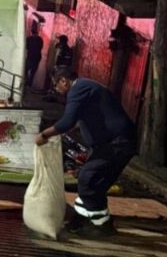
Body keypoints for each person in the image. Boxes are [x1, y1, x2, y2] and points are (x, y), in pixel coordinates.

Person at [36, 67, 136, 237]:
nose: (56, 89)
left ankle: (102, 225)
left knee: (88, 178)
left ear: (64, 81)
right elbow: (80, 119)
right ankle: (80, 221)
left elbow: (67, 121)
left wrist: (44, 135)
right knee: (94, 182)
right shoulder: (86, 87)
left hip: (115, 144)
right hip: (113, 143)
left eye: (55, 85)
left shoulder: (78, 89)